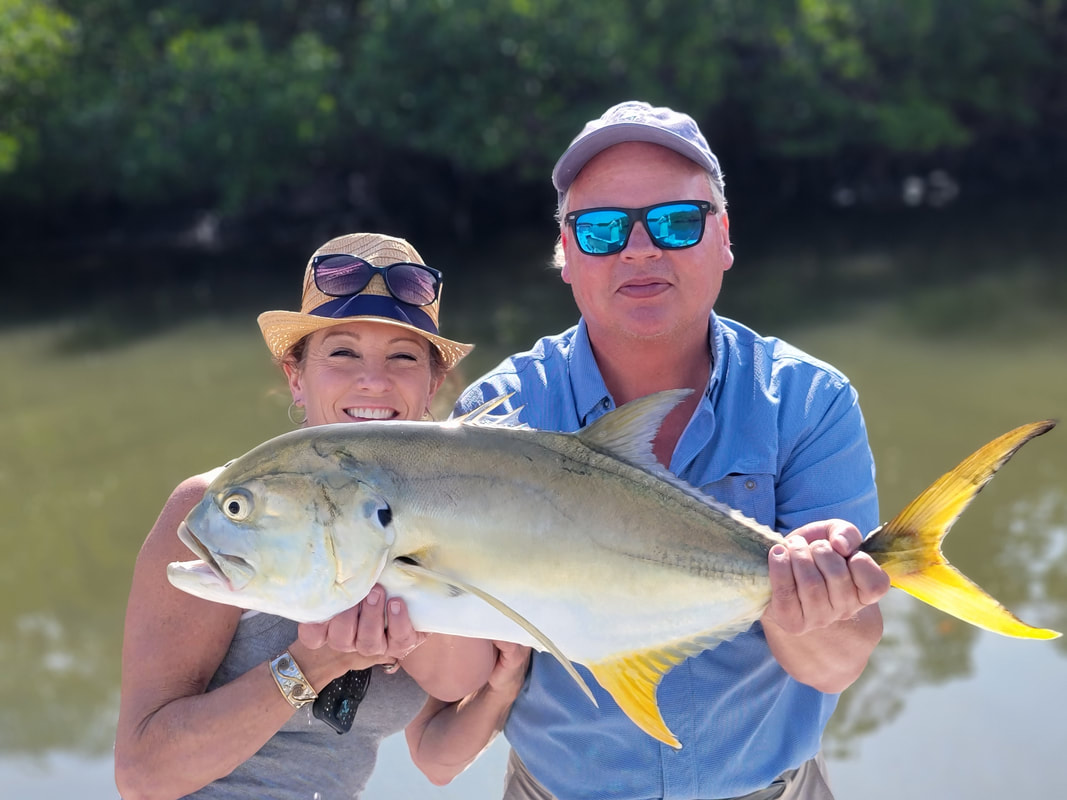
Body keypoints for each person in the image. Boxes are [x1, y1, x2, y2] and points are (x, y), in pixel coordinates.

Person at [410, 102, 892, 800]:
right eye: (601, 229)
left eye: (675, 221)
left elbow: (836, 663)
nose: (640, 249)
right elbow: (462, 672)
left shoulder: (809, 401)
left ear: (722, 237)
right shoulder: (497, 415)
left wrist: (808, 607)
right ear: (566, 257)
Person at [114, 232, 498, 799]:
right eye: (342, 352)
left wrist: (508, 677)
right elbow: (143, 776)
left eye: (403, 356)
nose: (374, 379)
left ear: (433, 384)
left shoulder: (446, 517)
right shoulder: (222, 511)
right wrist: (313, 665)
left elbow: (444, 716)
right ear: (296, 375)